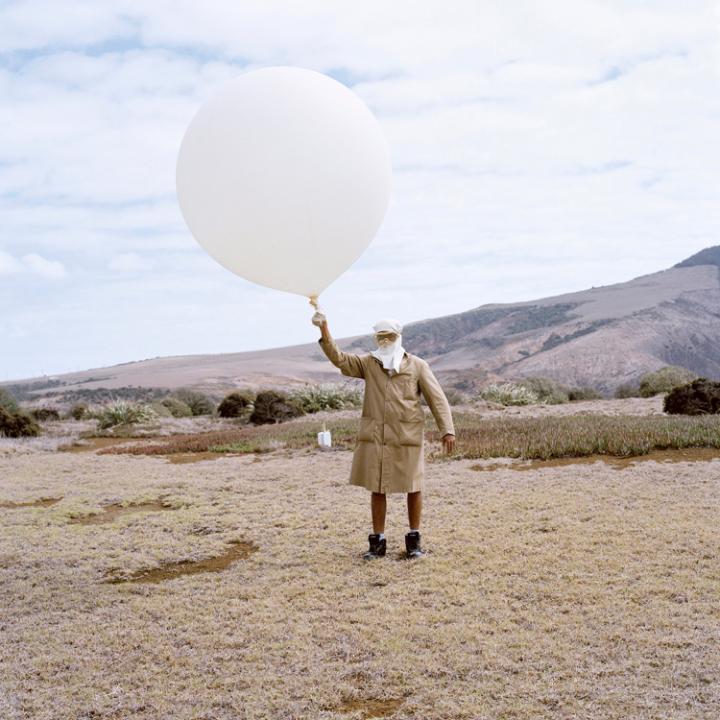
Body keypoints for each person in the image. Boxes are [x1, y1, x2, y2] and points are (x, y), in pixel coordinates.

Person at [312, 310, 456, 560]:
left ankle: (414, 541)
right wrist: (324, 329)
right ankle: (377, 543)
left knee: (414, 487)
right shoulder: (368, 363)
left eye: (389, 336)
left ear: (398, 337)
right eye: (380, 337)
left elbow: (438, 400)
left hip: (407, 436)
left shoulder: (418, 366)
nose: (385, 341)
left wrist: (448, 430)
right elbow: (338, 358)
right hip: (377, 438)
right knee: (377, 488)